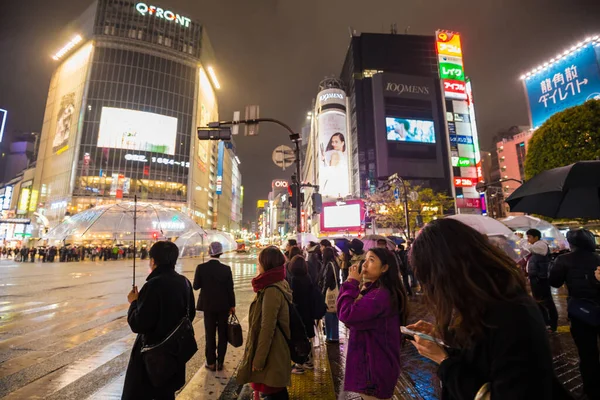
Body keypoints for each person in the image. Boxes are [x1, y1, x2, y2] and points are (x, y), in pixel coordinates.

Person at [407, 219, 571, 400]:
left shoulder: (512, 313)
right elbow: (480, 354)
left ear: (448, 271)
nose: (428, 287)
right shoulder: (479, 303)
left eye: (429, 277)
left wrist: (444, 362)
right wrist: (443, 336)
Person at [122, 241, 196, 400]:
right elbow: (191, 315)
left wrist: (134, 302)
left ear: (153, 261)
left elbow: (139, 323)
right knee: (166, 394)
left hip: (153, 356)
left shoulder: (153, 285)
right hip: (174, 352)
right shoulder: (184, 282)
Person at [337, 247, 408, 400]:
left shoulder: (379, 296)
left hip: (374, 371)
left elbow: (346, 314)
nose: (365, 264)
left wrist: (350, 283)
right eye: (366, 259)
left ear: (385, 268)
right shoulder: (376, 291)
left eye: (371, 260)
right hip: (376, 366)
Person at [550, 229, 600, 399]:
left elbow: (555, 282)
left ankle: (591, 389)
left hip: (581, 312)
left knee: (587, 353)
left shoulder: (563, 260)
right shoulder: (598, 257)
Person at [237, 246, 292, 400]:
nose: (258, 265)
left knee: (274, 393)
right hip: (275, 350)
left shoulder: (271, 290)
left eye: (259, 262)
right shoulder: (279, 282)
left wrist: (259, 360)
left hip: (272, 354)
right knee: (276, 392)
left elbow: (267, 328)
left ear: (266, 265)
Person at [193, 241, 236, 371]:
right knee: (223, 334)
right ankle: (220, 362)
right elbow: (230, 289)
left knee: (209, 334)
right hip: (223, 306)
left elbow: (196, 286)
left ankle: (210, 362)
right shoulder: (226, 269)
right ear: (220, 253)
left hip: (208, 307)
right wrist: (232, 305)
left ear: (208, 252)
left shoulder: (201, 268)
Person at [526, 228, 559, 332]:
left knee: (546, 301)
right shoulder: (536, 245)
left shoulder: (541, 245)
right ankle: (545, 323)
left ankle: (552, 324)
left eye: (529, 237)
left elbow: (530, 249)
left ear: (536, 237)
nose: (528, 239)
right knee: (539, 302)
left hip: (541, 279)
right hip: (536, 278)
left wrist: (521, 241)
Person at [288, 255, 316, 374]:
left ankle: (299, 364)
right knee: (308, 337)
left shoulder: (294, 279)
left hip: (299, 313)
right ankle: (309, 361)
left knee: (299, 338)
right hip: (308, 311)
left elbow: (293, 298)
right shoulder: (307, 276)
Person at [319, 247, 340, 343]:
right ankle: (335, 336)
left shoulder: (328, 265)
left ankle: (329, 336)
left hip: (329, 292)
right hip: (336, 291)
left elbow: (326, 280)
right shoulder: (335, 263)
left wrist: (322, 293)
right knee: (335, 314)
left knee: (329, 313)